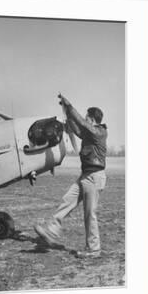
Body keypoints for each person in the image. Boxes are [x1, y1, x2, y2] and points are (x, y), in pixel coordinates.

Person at [34, 94, 108, 258]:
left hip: (94, 177)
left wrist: (69, 105)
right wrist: (67, 113)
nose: (85, 119)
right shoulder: (90, 134)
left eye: (87, 116)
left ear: (91, 118)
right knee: (68, 199)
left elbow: (81, 123)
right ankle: (51, 229)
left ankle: (94, 249)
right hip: (86, 176)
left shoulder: (99, 132)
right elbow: (76, 127)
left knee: (90, 214)